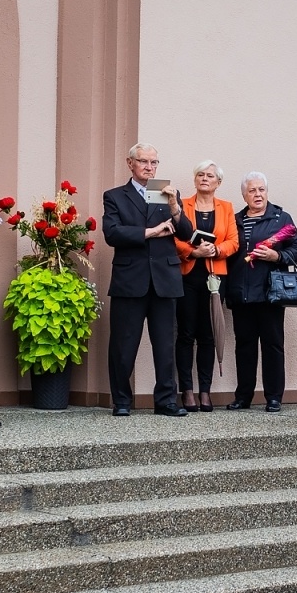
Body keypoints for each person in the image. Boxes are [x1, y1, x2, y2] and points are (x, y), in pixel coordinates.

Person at [103, 142, 194, 416]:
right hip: (130, 279)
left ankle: (166, 401)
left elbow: (186, 233)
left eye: (154, 162)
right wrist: (151, 232)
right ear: (130, 163)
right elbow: (112, 233)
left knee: (165, 344)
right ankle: (121, 401)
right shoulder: (115, 196)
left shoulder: (167, 193)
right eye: (143, 161)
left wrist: (175, 207)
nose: (149, 167)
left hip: (165, 279)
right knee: (123, 344)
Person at [224, 172, 297, 412]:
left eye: (261, 190)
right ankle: (243, 397)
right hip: (241, 293)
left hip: (270, 293)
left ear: (267, 192)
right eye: (252, 191)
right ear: (244, 195)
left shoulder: (281, 218)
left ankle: (274, 397)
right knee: (244, 346)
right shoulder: (235, 220)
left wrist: (276, 256)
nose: (257, 194)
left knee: (273, 345)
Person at [174, 161, 238, 411]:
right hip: (187, 276)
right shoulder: (182, 205)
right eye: (200, 174)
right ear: (195, 180)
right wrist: (193, 252)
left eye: (210, 175)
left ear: (218, 182)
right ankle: (187, 391)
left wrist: (216, 250)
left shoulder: (226, 207)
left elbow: (233, 241)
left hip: (215, 279)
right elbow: (174, 238)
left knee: (208, 335)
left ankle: (205, 392)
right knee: (185, 334)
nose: (204, 178)